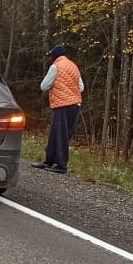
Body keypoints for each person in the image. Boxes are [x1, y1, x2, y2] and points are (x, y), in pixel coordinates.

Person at [32, 44, 84, 174]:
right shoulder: (73, 66)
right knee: (59, 134)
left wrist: (58, 88)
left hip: (62, 105)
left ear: (54, 56)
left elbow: (44, 86)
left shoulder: (55, 67)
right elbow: (81, 87)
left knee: (59, 135)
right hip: (75, 105)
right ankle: (49, 161)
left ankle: (61, 165)